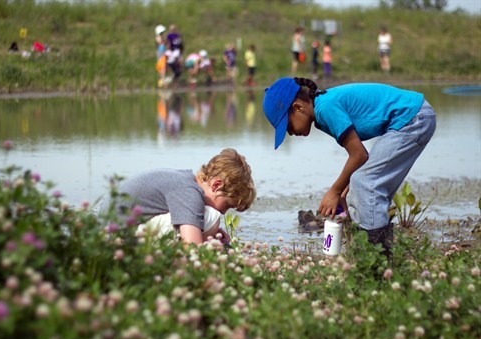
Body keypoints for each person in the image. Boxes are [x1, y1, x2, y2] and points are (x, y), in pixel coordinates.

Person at [262, 77, 436, 257]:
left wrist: (335, 192)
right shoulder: (322, 111)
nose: (290, 133)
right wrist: (345, 190)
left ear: (298, 107)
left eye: (288, 126)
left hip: (413, 119)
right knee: (361, 185)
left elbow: (359, 155)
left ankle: (377, 260)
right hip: (411, 118)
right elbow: (359, 158)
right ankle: (373, 255)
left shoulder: (325, 108)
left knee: (366, 184)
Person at [100, 148, 256, 245]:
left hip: (111, 232)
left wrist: (212, 237)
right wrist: (210, 235)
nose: (224, 212)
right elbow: (192, 247)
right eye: (227, 205)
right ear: (216, 185)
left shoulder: (183, 180)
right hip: (119, 241)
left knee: (206, 222)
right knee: (211, 217)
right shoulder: (189, 192)